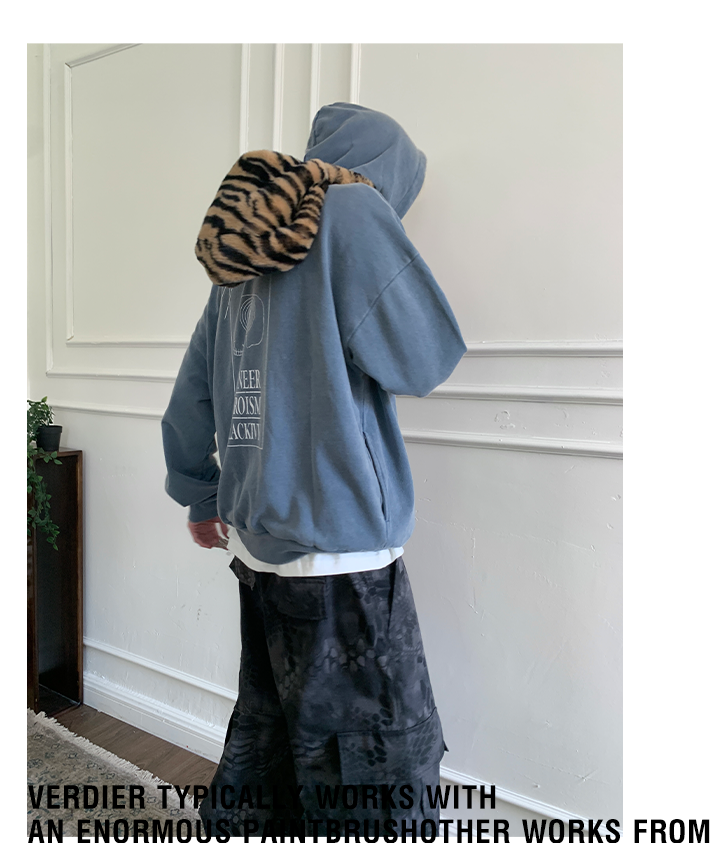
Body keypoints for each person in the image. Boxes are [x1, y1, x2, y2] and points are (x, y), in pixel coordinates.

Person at [161, 102, 466, 837]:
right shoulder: (354, 211)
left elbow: (193, 391)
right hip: (341, 552)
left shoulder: (249, 240)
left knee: (275, 746)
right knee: (377, 773)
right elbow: (424, 360)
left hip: (257, 546)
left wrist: (200, 495)